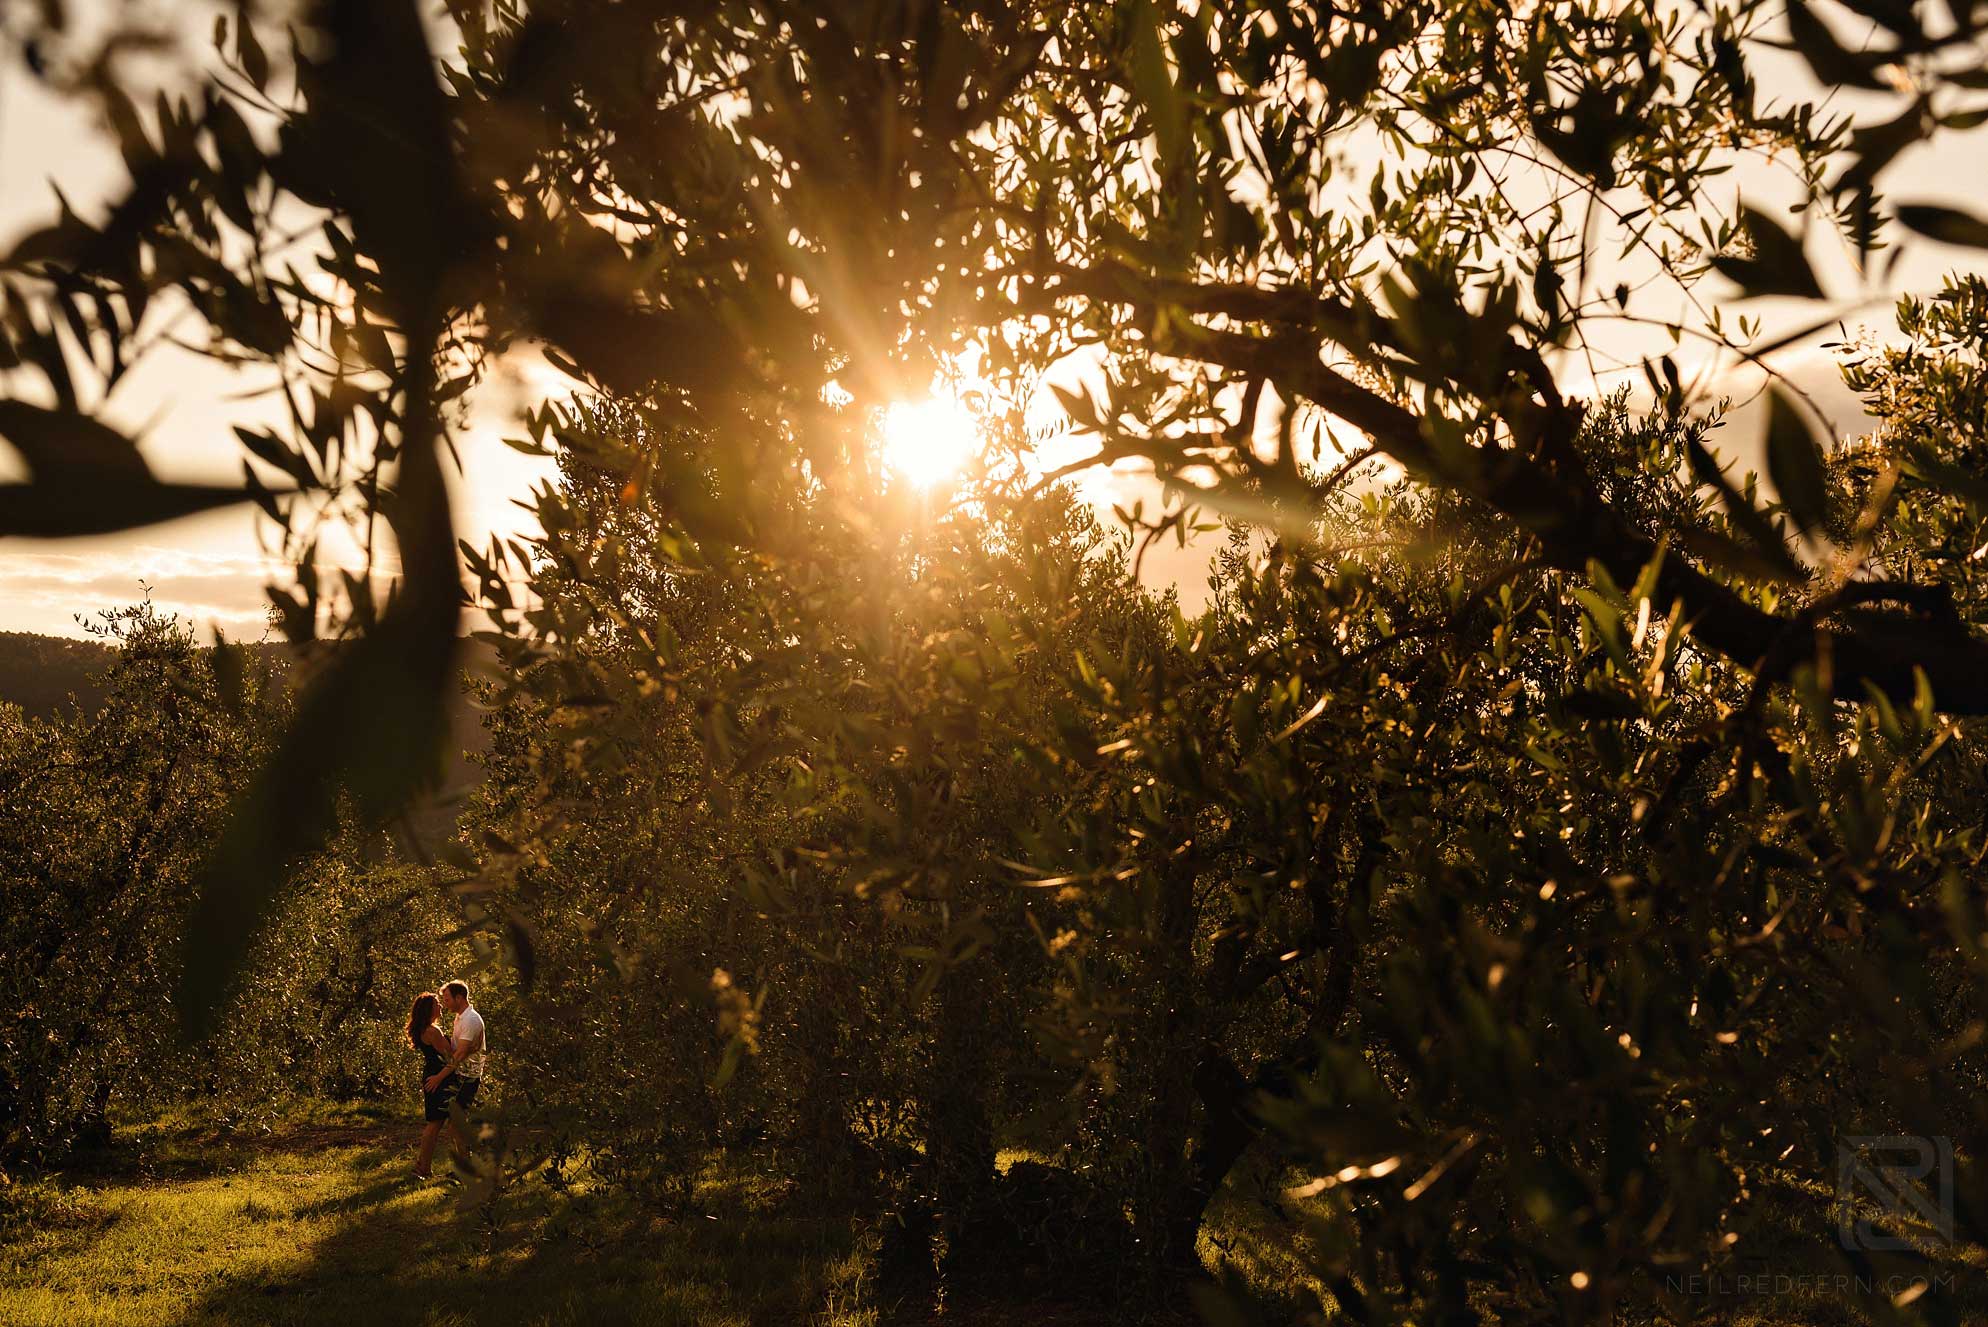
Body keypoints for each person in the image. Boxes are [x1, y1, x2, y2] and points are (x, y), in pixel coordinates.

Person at [406, 991, 460, 1181]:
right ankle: (423, 1168)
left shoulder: (426, 1029)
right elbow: (451, 1057)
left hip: (434, 1076)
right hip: (439, 1078)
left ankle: (424, 1167)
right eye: (437, 1003)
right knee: (436, 1123)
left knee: (438, 1123)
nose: (440, 1006)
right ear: (429, 1009)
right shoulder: (432, 1031)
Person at [425, 980, 486, 1114]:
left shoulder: (470, 1020)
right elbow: (457, 1049)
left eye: (447, 1000)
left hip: (467, 1077)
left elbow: (459, 1055)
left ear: (458, 998)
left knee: (457, 1123)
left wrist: (438, 1077)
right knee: (454, 1123)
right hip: (459, 1074)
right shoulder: (460, 1017)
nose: (444, 1004)